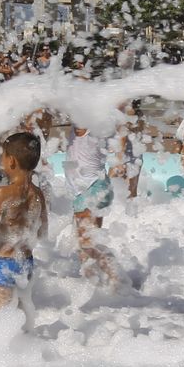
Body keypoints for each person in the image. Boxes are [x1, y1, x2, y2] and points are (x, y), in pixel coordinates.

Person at [0, 131, 49, 319]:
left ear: (11, 161)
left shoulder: (2, 193)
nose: (1, 161)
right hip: (26, 262)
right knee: (22, 312)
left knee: (2, 316)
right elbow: (43, 232)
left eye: (3, 157)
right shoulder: (38, 194)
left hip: (4, 262)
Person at [65, 121, 118, 285]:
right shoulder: (72, 131)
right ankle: (96, 281)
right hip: (79, 192)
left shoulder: (96, 129)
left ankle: (115, 279)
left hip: (94, 188)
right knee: (88, 242)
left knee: (85, 243)